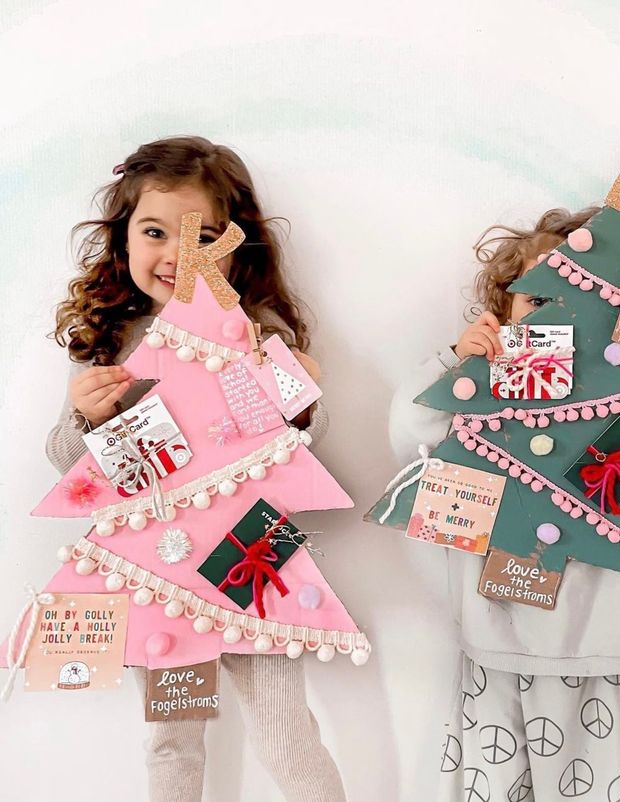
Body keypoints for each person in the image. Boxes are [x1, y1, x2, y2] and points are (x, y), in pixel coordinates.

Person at [388, 207, 620, 802]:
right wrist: (459, 362)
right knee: (484, 789)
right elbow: (410, 439)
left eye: (582, 302)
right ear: (504, 310)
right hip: (492, 635)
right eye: (538, 299)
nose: (559, 319)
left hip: (598, 644)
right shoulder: (489, 388)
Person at [48, 135, 345, 802]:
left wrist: (296, 396)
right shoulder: (109, 341)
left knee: (286, 734)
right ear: (123, 238)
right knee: (172, 740)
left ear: (235, 245)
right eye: (155, 231)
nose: (177, 255)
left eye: (201, 236)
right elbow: (70, 469)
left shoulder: (255, 330)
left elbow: (305, 444)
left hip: (253, 552)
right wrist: (86, 419)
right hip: (156, 564)